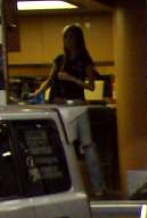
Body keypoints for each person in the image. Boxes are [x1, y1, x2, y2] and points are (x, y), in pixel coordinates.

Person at [29, 24, 105, 196]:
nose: (68, 41)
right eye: (66, 37)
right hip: (61, 104)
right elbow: (49, 81)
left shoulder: (85, 60)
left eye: (71, 37)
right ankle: (66, 187)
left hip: (78, 104)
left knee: (88, 144)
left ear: (78, 39)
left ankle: (98, 187)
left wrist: (72, 79)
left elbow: (91, 86)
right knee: (64, 144)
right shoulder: (59, 60)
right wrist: (35, 94)